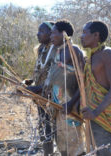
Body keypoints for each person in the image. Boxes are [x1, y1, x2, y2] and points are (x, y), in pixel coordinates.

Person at [80, 21, 111, 156]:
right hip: (91, 112)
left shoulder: (107, 54)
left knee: (104, 151)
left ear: (96, 35)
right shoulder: (90, 56)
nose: (81, 36)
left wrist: (95, 112)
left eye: (84, 33)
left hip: (103, 113)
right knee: (95, 151)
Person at [43, 19, 85, 156]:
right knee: (62, 144)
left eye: (53, 33)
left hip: (71, 106)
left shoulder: (75, 51)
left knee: (75, 145)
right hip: (58, 105)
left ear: (64, 34)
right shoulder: (57, 51)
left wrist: (72, 103)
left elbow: (84, 81)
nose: (50, 37)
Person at [25, 21, 57, 156]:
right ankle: (47, 152)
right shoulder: (41, 49)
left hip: (53, 97)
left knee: (53, 125)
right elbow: (39, 71)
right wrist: (29, 83)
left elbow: (57, 77)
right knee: (43, 125)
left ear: (50, 34)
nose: (38, 34)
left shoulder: (56, 49)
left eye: (41, 31)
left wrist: (38, 88)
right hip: (40, 97)